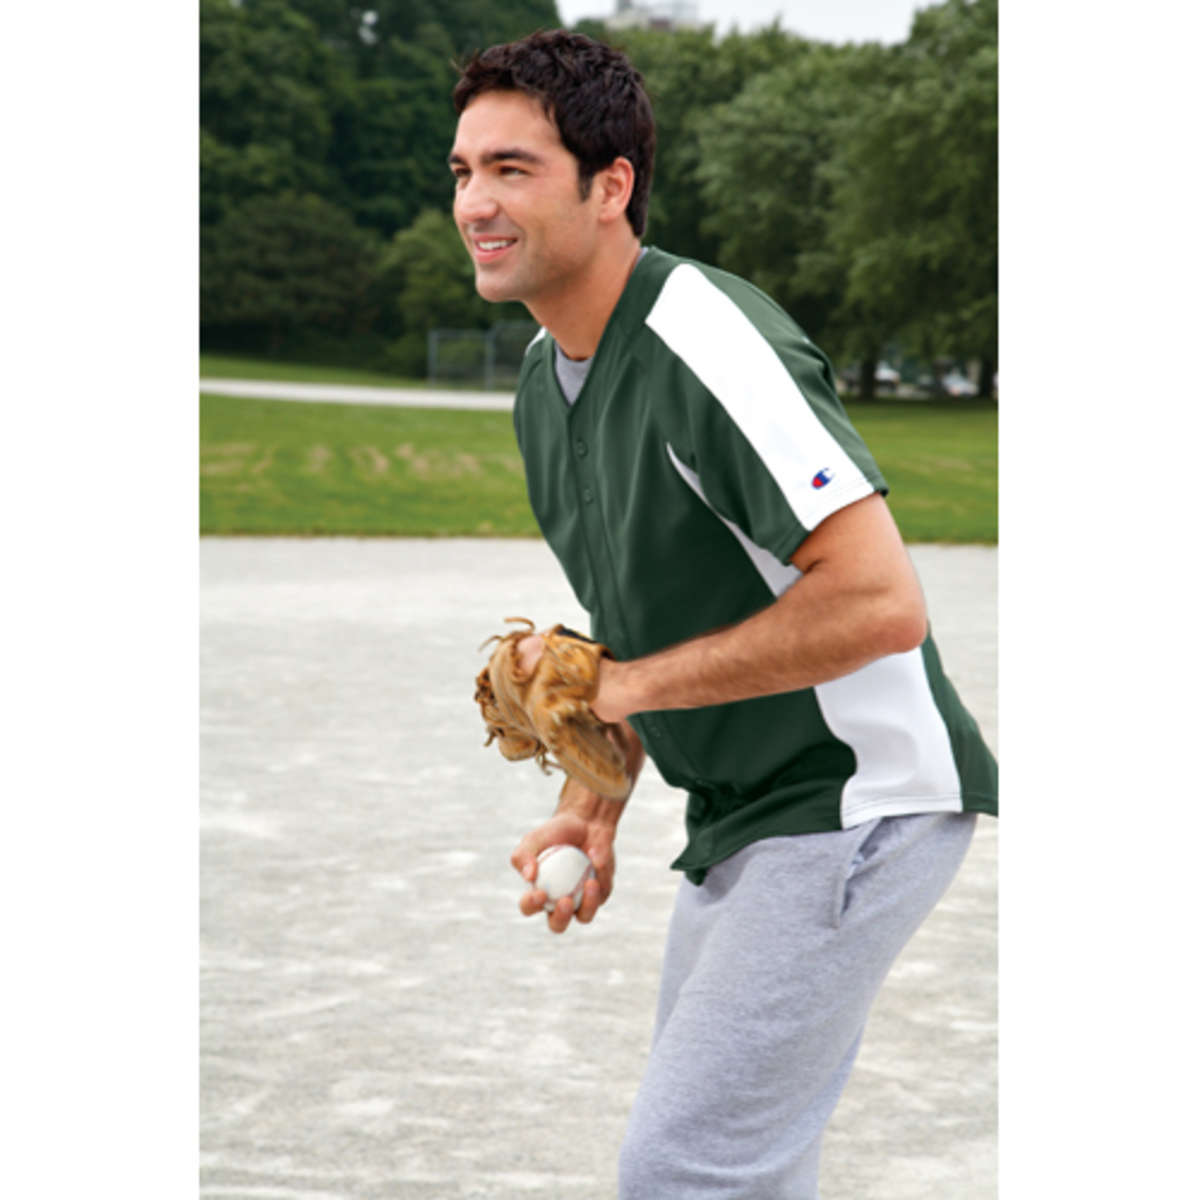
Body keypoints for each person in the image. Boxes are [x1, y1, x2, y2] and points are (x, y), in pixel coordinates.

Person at [449, 29, 997, 1199]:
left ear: (611, 186)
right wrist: (593, 798)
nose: (475, 203)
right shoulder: (545, 387)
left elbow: (878, 600)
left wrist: (617, 688)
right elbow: (647, 622)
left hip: (853, 799)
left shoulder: (705, 338)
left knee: (687, 1169)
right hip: (746, 813)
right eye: (463, 171)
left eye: (512, 169)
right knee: (739, 1167)